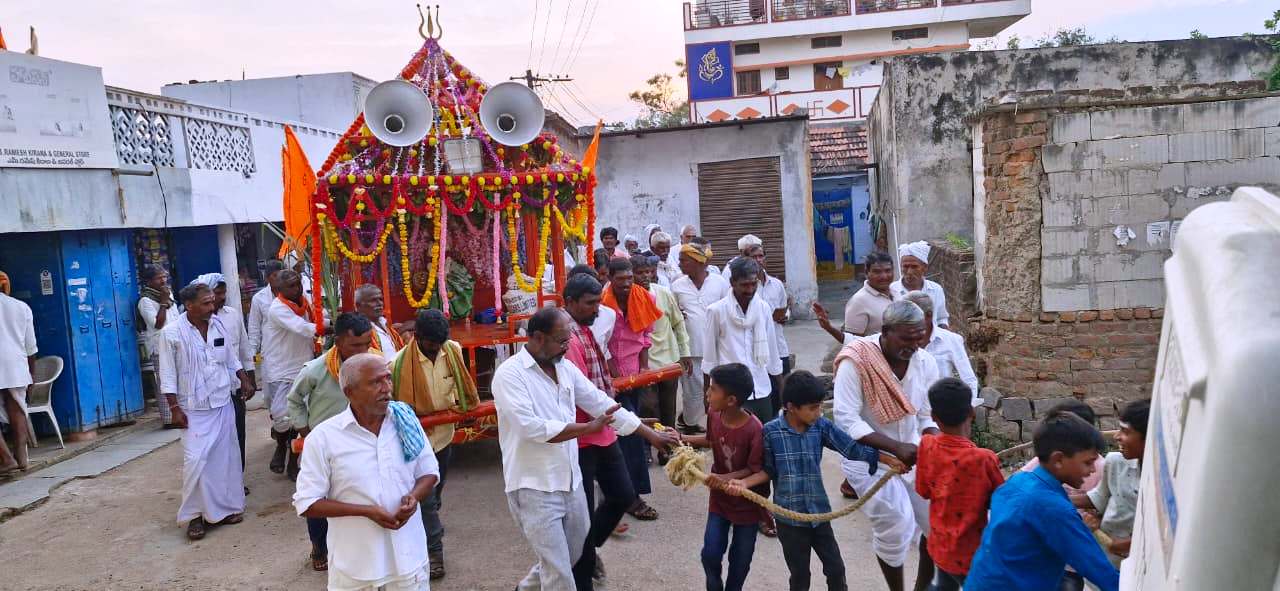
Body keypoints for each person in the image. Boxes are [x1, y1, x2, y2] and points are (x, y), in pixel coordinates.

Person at [490, 307, 679, 591]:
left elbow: (600, 402)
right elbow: (532, 428)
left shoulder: (565, 368)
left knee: (571, 554)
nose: (567, 346)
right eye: (562, 341)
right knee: (560, 575)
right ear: (538, 338)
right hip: (533, 487)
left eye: (568, 340)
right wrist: (587, 428)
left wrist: (648, 434)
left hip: (571, 481)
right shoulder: (509, 375)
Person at [293, 353, 441, 591]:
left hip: (408, 560)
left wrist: (414, 497)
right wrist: (366, 511)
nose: (386, 388)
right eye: (375, 382)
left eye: (388, 379)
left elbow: (429, 472)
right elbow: (307, 503)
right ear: (349, 392)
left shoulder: (405, 422)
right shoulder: (323, 438)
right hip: (356, 568)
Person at [725, 371, 883, 591]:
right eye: (813, 408)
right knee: (800, 575)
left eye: (819, 407)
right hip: (789, 519)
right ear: (791, 407)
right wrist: (744, 483)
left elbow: (850, 448)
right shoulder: (771, 432)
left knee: (836, 569)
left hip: (819, 514)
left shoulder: (821, 427)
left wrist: (889, 458)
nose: (819, 413)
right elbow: (767, 470)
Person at [832, 300, 939, 591]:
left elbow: (926, 415)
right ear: (886, 331)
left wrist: (934, 440)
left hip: (914, 455)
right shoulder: (857, 360)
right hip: (870, 460)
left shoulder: (925, 362)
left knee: (937, 522)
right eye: (906, 339)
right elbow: (846, 419)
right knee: (897, 522)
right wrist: (894, 447)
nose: (914, 346)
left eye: (919, 338)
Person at [966, 411, 1120, 591]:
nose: (1093, 470)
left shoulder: (1017, 482)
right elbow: (1097, 569)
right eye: (1088, 462)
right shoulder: (1053, 508)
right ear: (1058, 460)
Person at [389, 309, 479, 581]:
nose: (436, 348)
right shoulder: (397, 365)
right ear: (417, 337)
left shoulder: (452, 350)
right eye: (431, 344)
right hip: (417, 443)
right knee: (426, 500)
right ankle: (435, 552)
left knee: (436, 492)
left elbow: (461, 388)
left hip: (444, 437)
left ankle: (429, 521)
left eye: (440, 343)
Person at [157, 283, 251, 540]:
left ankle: (226, 509)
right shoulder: (171, 333)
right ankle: (195, 516)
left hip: (221, 401)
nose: (213, 306)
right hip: (192, 408)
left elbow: (230, 358)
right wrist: (174, 408)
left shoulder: (218, 325)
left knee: (225, 459)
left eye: (212, 301)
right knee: (196, 460)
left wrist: (243, 378)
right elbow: (167, 374)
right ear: (189, 306)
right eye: (207, 303)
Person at [562, 274, 636, 589]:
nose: (597, 309)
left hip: (602, 430)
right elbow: (586, 396)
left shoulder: (583, 329)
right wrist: (640, 427)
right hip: (580, 436)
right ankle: (582, 570)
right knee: (581, 518)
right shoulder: (565, 337)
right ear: (570, 302)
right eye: (590, 303)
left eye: (598, 302)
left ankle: (587, 553)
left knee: (622, 496)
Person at [286, 312, 374, 572]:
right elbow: (294, 400)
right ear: (338, 342)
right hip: (324, 444)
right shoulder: (316, 370)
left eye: (366, 344)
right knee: (318, 499)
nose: (362, 351)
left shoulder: (373, 365)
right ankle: (319, 547)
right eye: (355, 345)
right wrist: (307, 433)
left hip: (360, 441)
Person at [681, 363, 766, 591]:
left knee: (740, 560)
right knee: (710, 553)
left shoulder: (754, 429)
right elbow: (711, 440)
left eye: (713, 389)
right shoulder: (714, 414)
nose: (707, 393)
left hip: (747, 503)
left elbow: (754, 469)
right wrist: (680, 438)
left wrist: (725, 478)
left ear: (731, 400)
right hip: (720, 500)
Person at [915, 378, 1005, 591]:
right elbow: (1002, 502)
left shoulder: (927, 445)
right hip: (971, 555)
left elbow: (923, 490)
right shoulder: (984, 458)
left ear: (933, 417)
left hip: (940, 546)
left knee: (944, 584)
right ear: (972, 412)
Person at [602, 257, 663, 520]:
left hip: (634, 376)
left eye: (629, 278)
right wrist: (616, 379)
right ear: (610, 279)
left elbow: (645, 338)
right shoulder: (603, 305)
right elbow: (602, 346)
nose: (626, 283)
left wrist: (644, 371)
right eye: (621, 279)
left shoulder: (645, 297)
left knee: (629, 432)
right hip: (610, 378)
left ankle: (626, 492)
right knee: (629, 434)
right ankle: (630, 497)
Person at [195, 273, 257, 493]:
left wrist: (250, 376)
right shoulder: (191, 323)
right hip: (208, 392)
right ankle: (215, 484)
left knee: (237, 435)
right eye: (217, 293)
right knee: (212, 441)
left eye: (223, 293)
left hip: (234, 386)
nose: (221, 297)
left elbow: (242, 347)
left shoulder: (232, 315)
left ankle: (236, 479)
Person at [1071, 400, 1148, 569]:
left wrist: (1131, 544)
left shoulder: (1163, 481)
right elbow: (1099, 497)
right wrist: (1060, 499)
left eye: (1125, 431)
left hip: (1141, 560)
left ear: (1148, 437)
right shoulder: (1115, 462)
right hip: (1106, 551)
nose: (1117, 436)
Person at [631, 255, 692, 465]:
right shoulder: (627, 298)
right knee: (648, 406)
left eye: (648, 272)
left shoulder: (664, 293)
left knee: (668, 408)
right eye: (640, 273)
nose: (645, 276)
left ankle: (668, 448)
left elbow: (678, 323)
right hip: (643, 365)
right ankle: (646, 446)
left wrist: (685, 353)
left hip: (669, 360)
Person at [703, 258, 779, 423]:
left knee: (763, 436)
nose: (750, 290)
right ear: (732, 283)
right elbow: (709, 357)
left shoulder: (764, 308)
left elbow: (773, 352)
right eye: (744, 285)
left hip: (761, 390)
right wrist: (707, 395)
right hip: (731, 395)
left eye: (753, 284)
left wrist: (781, 391)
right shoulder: (716, 311)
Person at [262, 269, 320, 478]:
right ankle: (281, 444)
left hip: (304, 365)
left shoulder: (305, 303)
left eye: (298, 284)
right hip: (281, 368)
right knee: (281, 416)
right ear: (279, 289)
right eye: (291, 286)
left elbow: (315, 320)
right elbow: (303, 328)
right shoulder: (277, 309)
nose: (297, 289)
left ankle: (294, 463)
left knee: (300, 414)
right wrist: (329, 327)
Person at [670, 241, 731, 435]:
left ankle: (718, 426)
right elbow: (673, 315)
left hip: (717, 347)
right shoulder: (677, 285)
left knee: (718, 389)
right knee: (692, 392)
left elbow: (728, 310)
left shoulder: (719, 283)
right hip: (690, 349)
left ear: (698, 262)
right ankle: (689, 424)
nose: (680, 264)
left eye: (684, 260)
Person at [900, 291, 979, 403]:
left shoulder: (951, 340)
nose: (906, 321)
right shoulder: (899, 342)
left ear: (928, 315)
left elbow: (969, 380)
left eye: (911, 316)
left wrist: (966, 408)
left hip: (942, 407)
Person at [745, 244, 791, 417]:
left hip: (778, 345)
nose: (758, 260)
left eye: (760, 256)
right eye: (754, 257)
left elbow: (784, 307)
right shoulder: (747, 287)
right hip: (757, 350)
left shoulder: (776, 284)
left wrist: (785, 315)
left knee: (782, 392)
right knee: (763, 393)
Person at [0, 272, 36, 473]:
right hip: (16, 365)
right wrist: (31, 375)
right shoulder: (22, 307)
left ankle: (6, 459)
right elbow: (31, 348)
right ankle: (21, 457)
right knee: (17, 409)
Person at [138, 264, 176, 428]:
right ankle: (169, 420)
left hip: (175, 343)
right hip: (159, 347)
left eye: (164, 276)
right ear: (149, 281)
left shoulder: (167, 295)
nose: (163, 280)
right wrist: (162, 303)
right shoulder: (145, 301)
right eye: (159, 278)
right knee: (164, 383)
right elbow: (157, 324)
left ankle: (181, 413)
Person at [836, 251, 896, 338]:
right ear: (866, 273)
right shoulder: (858, 301)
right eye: (877, 272)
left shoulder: (897, 292)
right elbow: (852, 341)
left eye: (888, 271)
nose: (884, 276)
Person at [891, 242, 949, 329]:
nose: (909, 272)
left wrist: (943, 333)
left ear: (925, 267)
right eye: (905, 266)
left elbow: (941, 318)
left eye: (914, 267)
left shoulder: (936, 289)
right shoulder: (892, 291)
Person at [247, 259, 287, 380]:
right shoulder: (259, 298)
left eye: (281, 275)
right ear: (267, 278)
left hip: (290, 349)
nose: (278, 279)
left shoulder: (291, 294)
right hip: (270, 351)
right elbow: (254, 327)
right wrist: (252, 352)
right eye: (275, 275)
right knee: (272, 387)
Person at [354, 284, 405, 359]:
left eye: (380, 299)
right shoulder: (357, 331)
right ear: (358, 305)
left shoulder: (386, 326)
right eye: (373, 300)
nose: (380, 303)